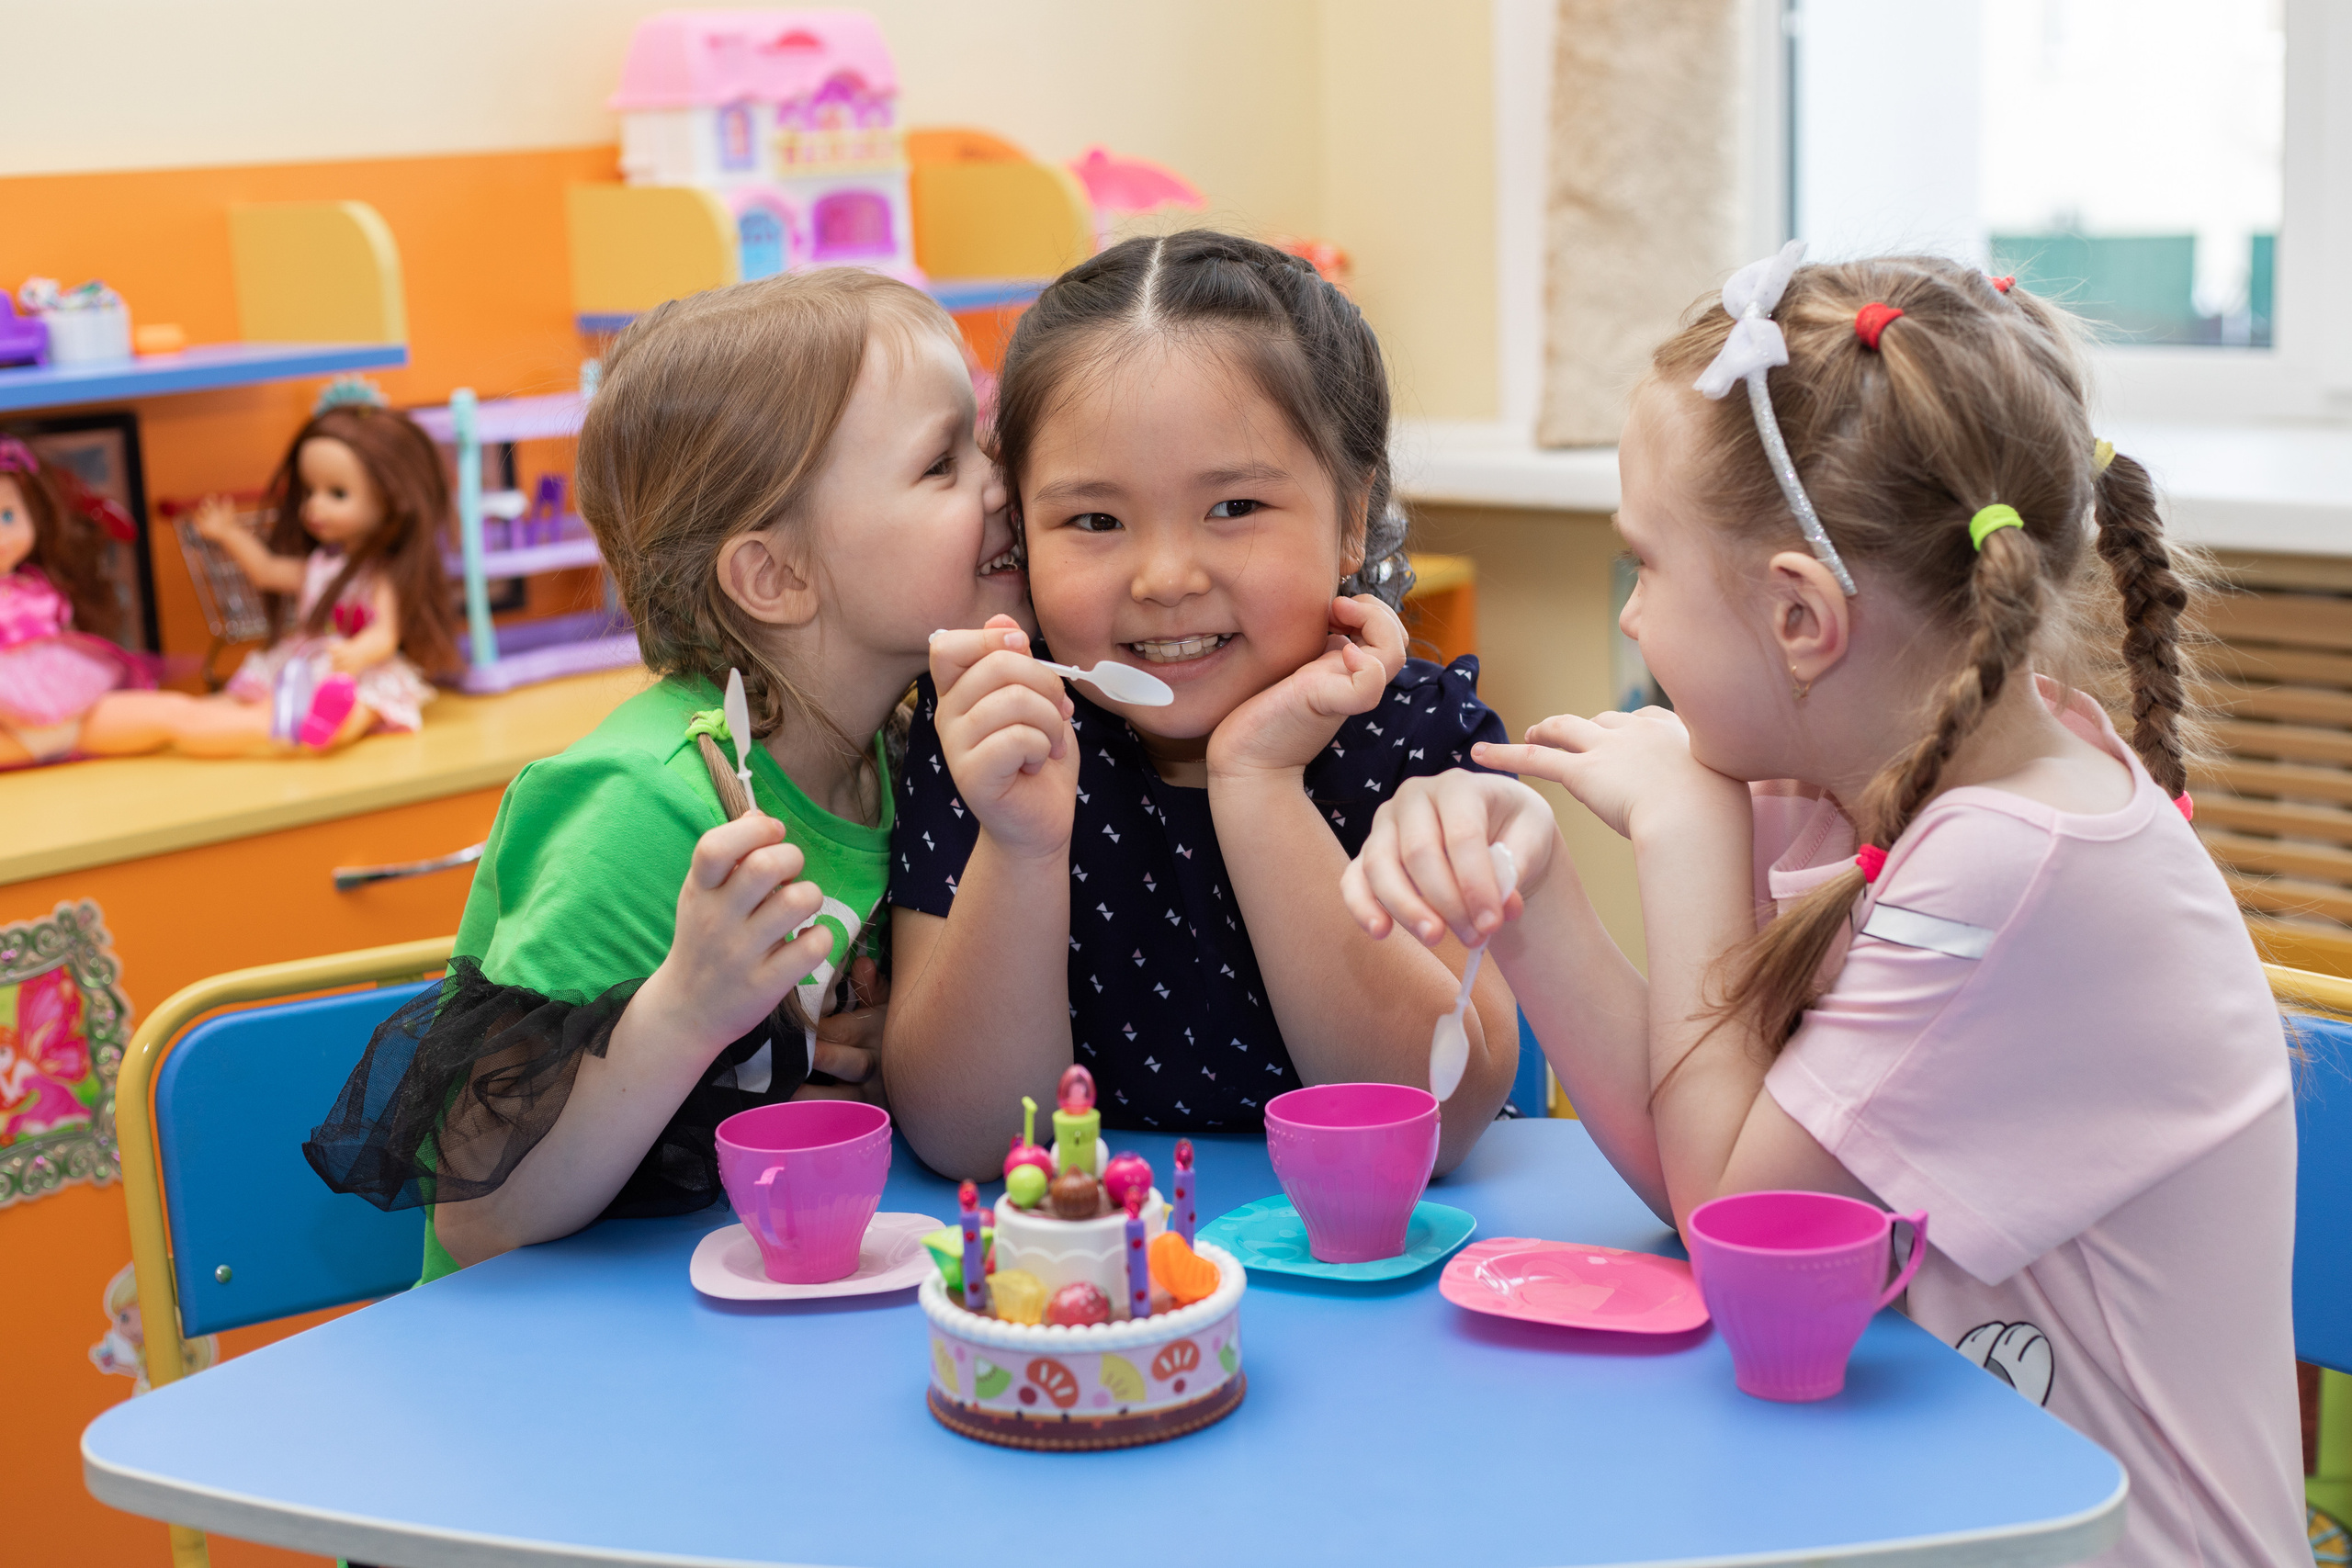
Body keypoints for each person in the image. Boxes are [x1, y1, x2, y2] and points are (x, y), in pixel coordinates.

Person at [1341, 249, 2303, 1565]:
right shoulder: (1858, 779)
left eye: (1641, 568)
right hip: (1907, 1502)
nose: (1632, 619)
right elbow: (1706, 1150)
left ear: (1801, 616)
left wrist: (1685, 829)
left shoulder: (2012, 863)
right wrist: (1534, 893)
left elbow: (1734, 1234)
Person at [306, 268, 1027, 1279]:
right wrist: (684, 1012)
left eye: (981, 440)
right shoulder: (640, 806)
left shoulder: (907, 751)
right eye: (943, 462)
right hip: (562, 1350)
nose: (1000, 483)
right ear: (776, 574)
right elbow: (480, 1217)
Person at [888, 231, 1518, 1182]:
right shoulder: (997, 733)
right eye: (1095, 520)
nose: (1167, 577)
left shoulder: (1420, 740)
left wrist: (1258, 780)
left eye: (1233, 509)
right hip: (1108, 1255)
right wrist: (1021, 844)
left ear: (1352, 516)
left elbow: (1436, 1122)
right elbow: (974, 1142)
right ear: (1021, 530)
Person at [183, 385, 458, 753]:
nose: (314, 506)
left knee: (365, 705)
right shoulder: (319, 566)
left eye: (337, 494)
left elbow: (385, 634)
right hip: (308, 660)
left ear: (392, 500)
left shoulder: (379, 575)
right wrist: (229, 533)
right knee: (259, 692)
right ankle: (221, 720)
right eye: (309, 492)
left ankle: (331, 720)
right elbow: (266, 571)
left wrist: (359, 652)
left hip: (356, 669)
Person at [0, 435, 162, 766]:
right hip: (11, 718)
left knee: (169, 716)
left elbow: (67, 637)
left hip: (66, 703)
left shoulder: (38, 586)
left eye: (7, 517)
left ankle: (271, 721)